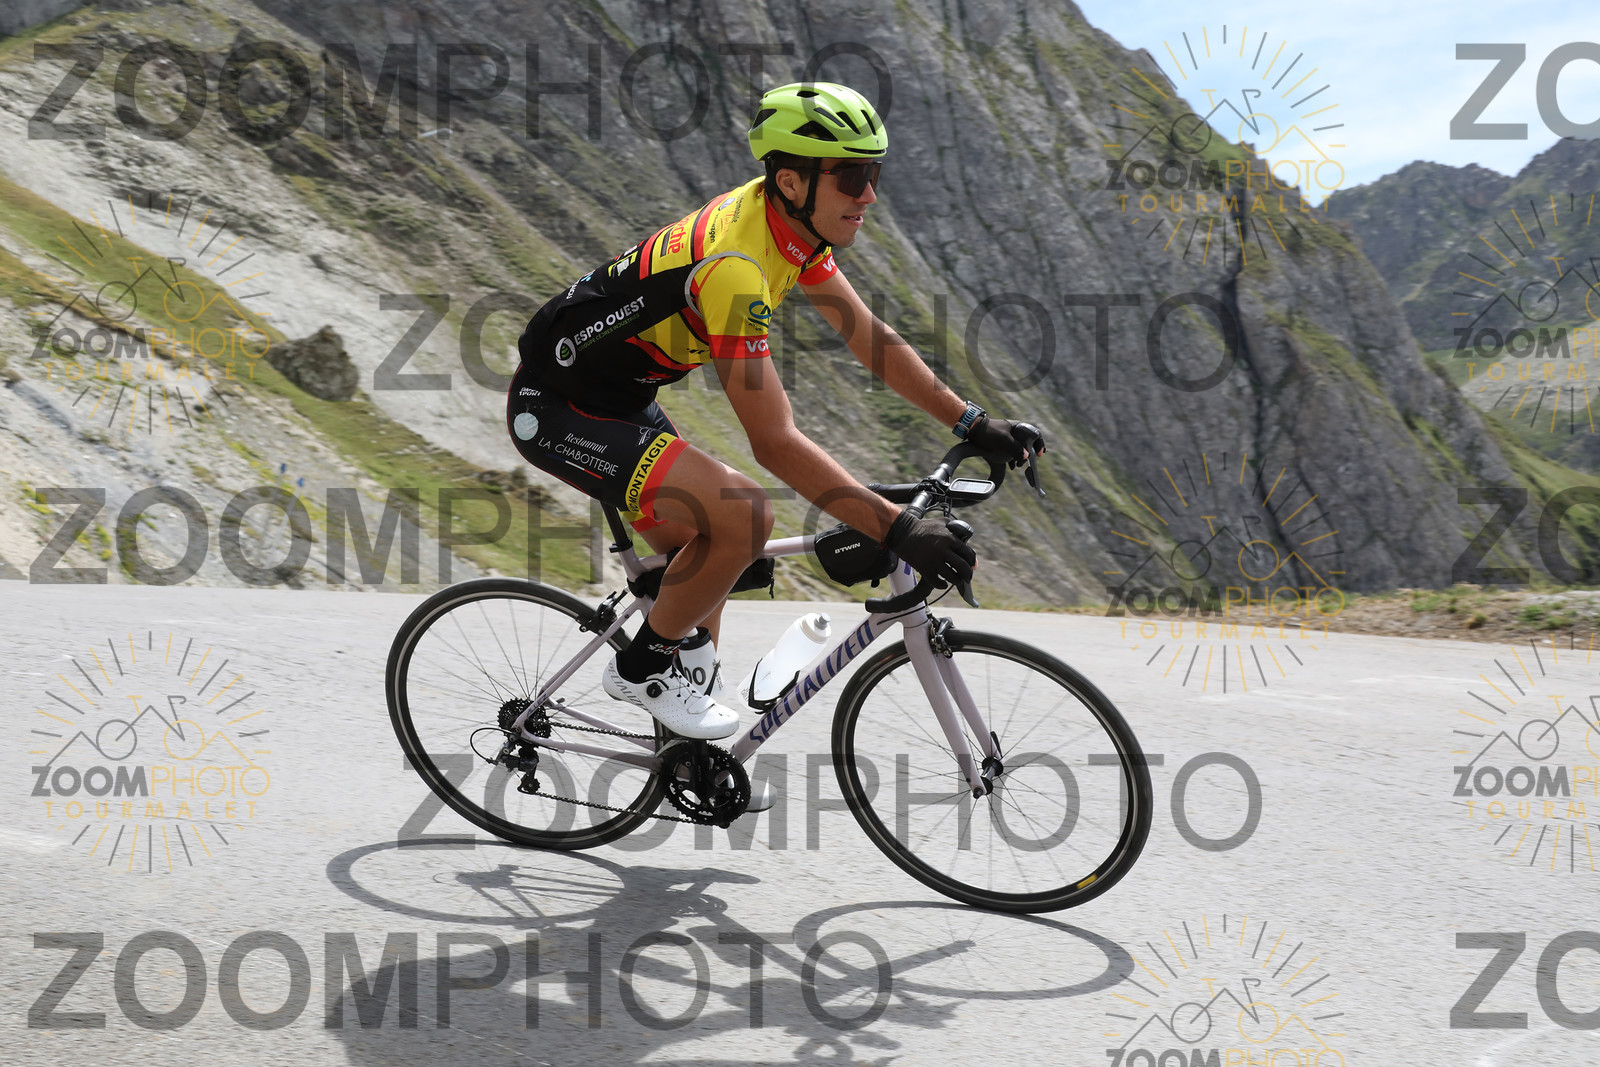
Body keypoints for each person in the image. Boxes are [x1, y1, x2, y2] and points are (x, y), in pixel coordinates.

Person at [508, 81, 1045, 748]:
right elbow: (774, 441)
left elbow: (868, 337)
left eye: (874, 174)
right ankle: (641, 670)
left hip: (622, 398)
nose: (869, 196)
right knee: (744, 514)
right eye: (853, 177)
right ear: (792, 181)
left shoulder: (788, 226)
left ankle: (688, 759)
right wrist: (900, 529)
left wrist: (972, 422)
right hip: (556, 409)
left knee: (713, 556)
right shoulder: (735, 268)